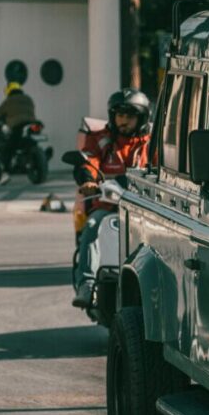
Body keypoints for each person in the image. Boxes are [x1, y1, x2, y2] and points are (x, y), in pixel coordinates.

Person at [71, 88, 153, 307]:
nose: (123, 120)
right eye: (120, 115)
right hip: (108, 206)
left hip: (146, 209)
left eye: (129, 116)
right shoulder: (101, 140)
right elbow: (89, 160)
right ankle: (86, 285)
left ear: (142, 118)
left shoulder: (153, 143)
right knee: (91, 226)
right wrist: (88, 180)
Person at [0, 81, 39, 182]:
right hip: (32, 124)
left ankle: (6, 171)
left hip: (18, 126)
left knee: (9, 148)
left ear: (9, 91)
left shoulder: (9, 101)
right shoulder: (28, 98)